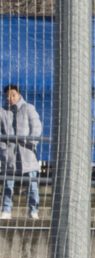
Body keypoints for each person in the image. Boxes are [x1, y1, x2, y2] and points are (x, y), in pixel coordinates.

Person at [1, 84, 42, 220]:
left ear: (19, 95)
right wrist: (3, 148)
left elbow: (36, 127)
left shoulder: (28, 108)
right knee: (8, 183)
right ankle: (6, 210)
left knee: (32, 183)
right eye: (7, 96)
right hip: (10, 154)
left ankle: (33, 210)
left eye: (13, 95)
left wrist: (30, 142)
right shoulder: (2, 111)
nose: (10, 98)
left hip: (27, 152)